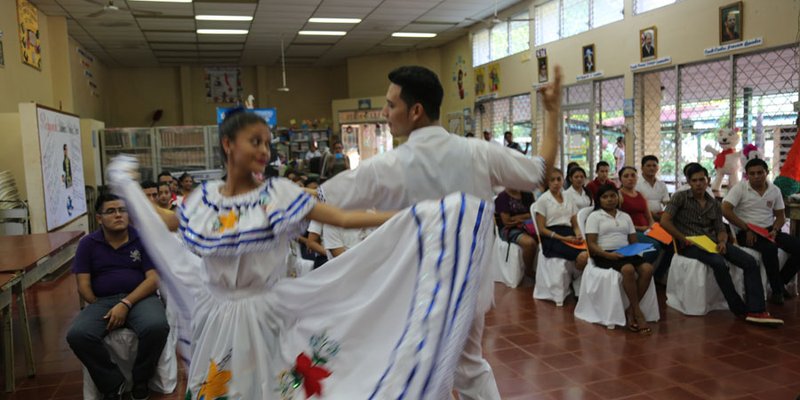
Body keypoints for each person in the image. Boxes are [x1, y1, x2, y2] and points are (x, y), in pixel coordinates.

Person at [109, 109, 493, 399]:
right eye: (254, 141)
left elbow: (341, 217)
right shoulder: (204, 201)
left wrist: (416, 215)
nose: (263, 150)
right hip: (219, 316)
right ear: (228, 145)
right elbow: (167, 222)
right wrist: (127, 189)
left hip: (266, 312)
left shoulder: (279, 196)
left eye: (266, 142)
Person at [318, 65, 564, 400]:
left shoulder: (393, 165)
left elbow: (325, 199)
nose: (385, 112)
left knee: (417, 367)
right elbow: (539, 171)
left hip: (416, 287)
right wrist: (552, 112)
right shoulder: (478, 152)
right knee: (465, 367)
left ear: (416, 111)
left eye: (391, 105)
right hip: (469, 287)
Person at [67, 194, 170, 400]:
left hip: (141, 298)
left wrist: (126, 303)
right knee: (77, 335)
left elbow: (153, 279)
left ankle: (141, 380)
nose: (118, 215)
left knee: (156, 327)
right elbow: (83, 285)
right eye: (111, 211)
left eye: (122, 210)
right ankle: (113, 384)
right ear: (98, 218)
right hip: (103, 301)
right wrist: (102, 307)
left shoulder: (142, 239)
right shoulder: (88, 243)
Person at [660, 164, 783, 326]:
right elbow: (665, 221)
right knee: (718, 262)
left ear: (708, 181)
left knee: (750, 262)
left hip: (713, 242)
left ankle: (757, 309)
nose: (698, 184)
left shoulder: (714, 203)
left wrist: (723, 241)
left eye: (701, 180)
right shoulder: (680, 197)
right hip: (689, 245)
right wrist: (683, 238)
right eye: (694, 180)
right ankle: (739, 308)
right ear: (689, 182)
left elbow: (720, 228)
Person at [722, 158, 800, 305]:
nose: (756, 176)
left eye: (760, 172)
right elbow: (725, 209)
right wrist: (746, 228)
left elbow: (781, 216)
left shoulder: (774, 190)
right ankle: (777, 292)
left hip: (770, 230)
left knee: (798, 247)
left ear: (767, 173)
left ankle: (780, 282)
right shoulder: (740, 188)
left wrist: (776, 229)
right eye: (752, 173)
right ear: (747, 175)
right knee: (770, 249)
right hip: (746, 231)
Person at [585, 183, 654, 334]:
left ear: (618, 197)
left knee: (648, 269)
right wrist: (607, 254)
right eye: (605, 197)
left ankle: (630, 309)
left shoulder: (625, 216)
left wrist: (637, 250)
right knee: (628, 269)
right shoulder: (594, 216)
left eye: (613, 196)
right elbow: (591, 244)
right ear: (599, 200)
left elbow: (633, 240)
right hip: (605, 253)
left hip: (626, 252)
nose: (609, 200)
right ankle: (637, 312)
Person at [533, 168, 589, 270]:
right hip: (552, 237)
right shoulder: (543, 200)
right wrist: (563, 238)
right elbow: (541, 229)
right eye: (552, 180)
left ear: (563, 180)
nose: (556, 183)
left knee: (591, 252)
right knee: (583, 256)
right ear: (547, 182)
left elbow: (574, 223)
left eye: (559, 179)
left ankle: (578, 278)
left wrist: (578, 235)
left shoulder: (568, 197)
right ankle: (576, 279)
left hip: (569, 233)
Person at [618, 166, 662, 265]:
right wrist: (640, 228)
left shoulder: (640, 194)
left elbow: (649, 216)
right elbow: (618, 221)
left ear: (637, 178)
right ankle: (639, 267)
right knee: (654, 245)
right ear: (620, 179)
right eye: (626, 176)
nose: (630, 178)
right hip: (631, 231)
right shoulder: (618, 195)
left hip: (647, 229)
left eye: (633, 175)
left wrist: (652, 227)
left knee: (671, 243)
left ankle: (658, 274)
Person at [495, 188, 537, 276]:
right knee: (529, 243)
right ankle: (528, 271)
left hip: (529, 226)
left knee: (546, 238)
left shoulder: (527, 194)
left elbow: (533, 214)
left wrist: (516, 218)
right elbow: (507, 221)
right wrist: (526, 216)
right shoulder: (502, 197)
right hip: (509, 229)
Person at [636, 155, 670, 221]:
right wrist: (653, 216)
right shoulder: (636, 184)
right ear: (642, 168)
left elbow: (667, 202)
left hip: (660, 216)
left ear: (657, 168)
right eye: (648, 166)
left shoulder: (662, 185)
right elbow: (637, 206)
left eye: (654, 166)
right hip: (642, 217)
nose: (652, 168)